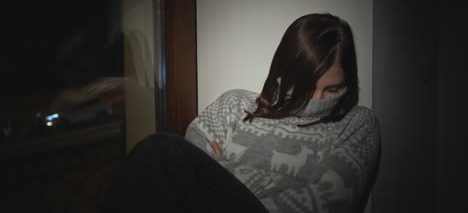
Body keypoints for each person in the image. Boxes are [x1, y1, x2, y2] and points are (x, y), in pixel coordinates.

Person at [100, 13, 381, 213]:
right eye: (306, 86)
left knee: (161, 150)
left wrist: (224, 166)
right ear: (286, 72)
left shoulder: (357, 124)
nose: (317, 100)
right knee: (159, 150)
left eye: (332, 89)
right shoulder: (235, 105)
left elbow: (326, 205)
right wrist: (289, 185)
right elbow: (190, 165)